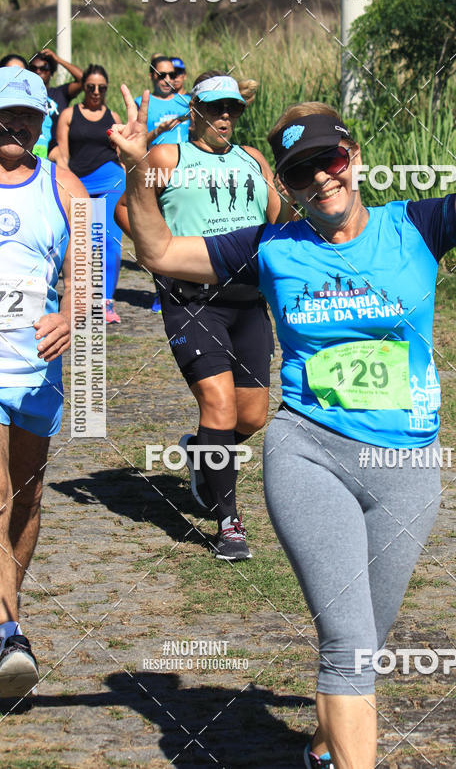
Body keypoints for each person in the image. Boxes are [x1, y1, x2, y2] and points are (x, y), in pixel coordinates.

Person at [113, 18, 456, 768]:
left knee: (365, 639)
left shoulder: (419, 226)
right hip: (309, 454)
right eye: (303, 172)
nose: (322, 179)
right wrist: (144, 170)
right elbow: (157, 251)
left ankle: (322, 748)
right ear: (287, 184)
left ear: (355, 158)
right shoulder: (272, 248)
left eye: (330, 161)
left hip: (410, 467)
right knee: (345, 640)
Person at [114, 71, 290, 560]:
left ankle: (203, 452)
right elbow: (126, 211)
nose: (225, 117)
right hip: (193, 302)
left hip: (248, 303)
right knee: (219, 405)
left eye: (232, 108)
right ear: (195, 110)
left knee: (251, 416)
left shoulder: (253, 160)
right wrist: (161, 256)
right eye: (215, 108)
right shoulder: (169, 156)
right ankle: (229, 521)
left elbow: (281, 222)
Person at [0, 66, 88, 697]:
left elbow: (86, 274)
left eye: (28, 116)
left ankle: (6, 615)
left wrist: (69, 313)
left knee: (26, 499)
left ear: (40, 123)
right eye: (6, 114)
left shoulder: (66, 187)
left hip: (37, 373)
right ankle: (9, 632)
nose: (16, 125)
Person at [56, 64, 125, 324]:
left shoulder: (114, 116)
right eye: (91, 87)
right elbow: (63, 154)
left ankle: (106, 302)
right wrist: (64, 182)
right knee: (83, 243)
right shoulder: (69, 114)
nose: (96, 92)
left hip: (110, 180)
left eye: (102, 88)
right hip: (79, 182)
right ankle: (81, 300)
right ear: (83, 87)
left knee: (108, 240)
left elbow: (121, 151)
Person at [135, 56, 192, 312]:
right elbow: (136, 143)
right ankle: (162, 291)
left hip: (188, 174)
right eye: (161, 75)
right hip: (156, 176)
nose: (167, 79)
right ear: (151, 76)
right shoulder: (141, 104)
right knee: (159, 236)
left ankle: (189, 287)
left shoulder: (187, 102)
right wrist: (158, 131)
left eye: (171, 74)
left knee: (186, 232)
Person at [28, 48, 83, 159]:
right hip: (31, 148)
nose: (38, 71)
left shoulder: (59, 93)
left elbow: (84, 79)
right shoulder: (25, 95)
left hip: (57, 152)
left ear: (51, 72)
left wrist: (58, 60)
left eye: (44, 68)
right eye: (34, 68)